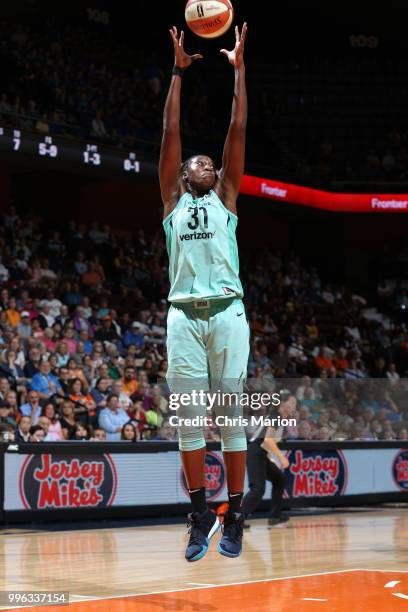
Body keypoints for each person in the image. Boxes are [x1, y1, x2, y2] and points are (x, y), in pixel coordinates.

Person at [159, 23, 249, 561]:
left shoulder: (227, 197)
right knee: (191, 425)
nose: (206, 165)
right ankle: (199, 514)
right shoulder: (172, 198)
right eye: (199, 161)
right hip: (184, 317)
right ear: (185, 172)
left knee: (232, 419)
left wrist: (240, 72)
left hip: (227, 315)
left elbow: (237, 130)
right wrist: (178, 72)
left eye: (212, 164)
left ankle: (234, 513)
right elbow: (170, 134)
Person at [242, 395, 294, 527]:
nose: (293, 406)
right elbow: (267, 440)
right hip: (255, 452)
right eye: (291, 403)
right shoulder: (275, 416)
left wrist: (271, 458)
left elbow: (266, 444)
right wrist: (282, 458)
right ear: (282, 404)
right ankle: (235, 520)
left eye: (295, 404)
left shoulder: (279, 419)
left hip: (262, 453)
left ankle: (274, 516)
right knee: (257, 489)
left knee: (279, 479)